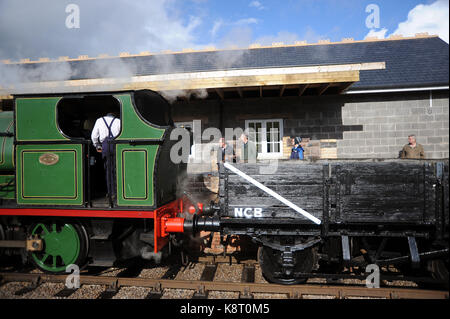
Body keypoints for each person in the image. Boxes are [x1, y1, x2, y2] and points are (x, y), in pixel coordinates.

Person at [91, 112, 121, 199]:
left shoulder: (100, 120)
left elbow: (94, 136)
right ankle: (118, 192)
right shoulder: (118, 121)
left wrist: (97, 145)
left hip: (106, 145)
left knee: (108, 170)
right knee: (117, 169)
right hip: (116, 145)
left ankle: (111, 192)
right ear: (113, 116)